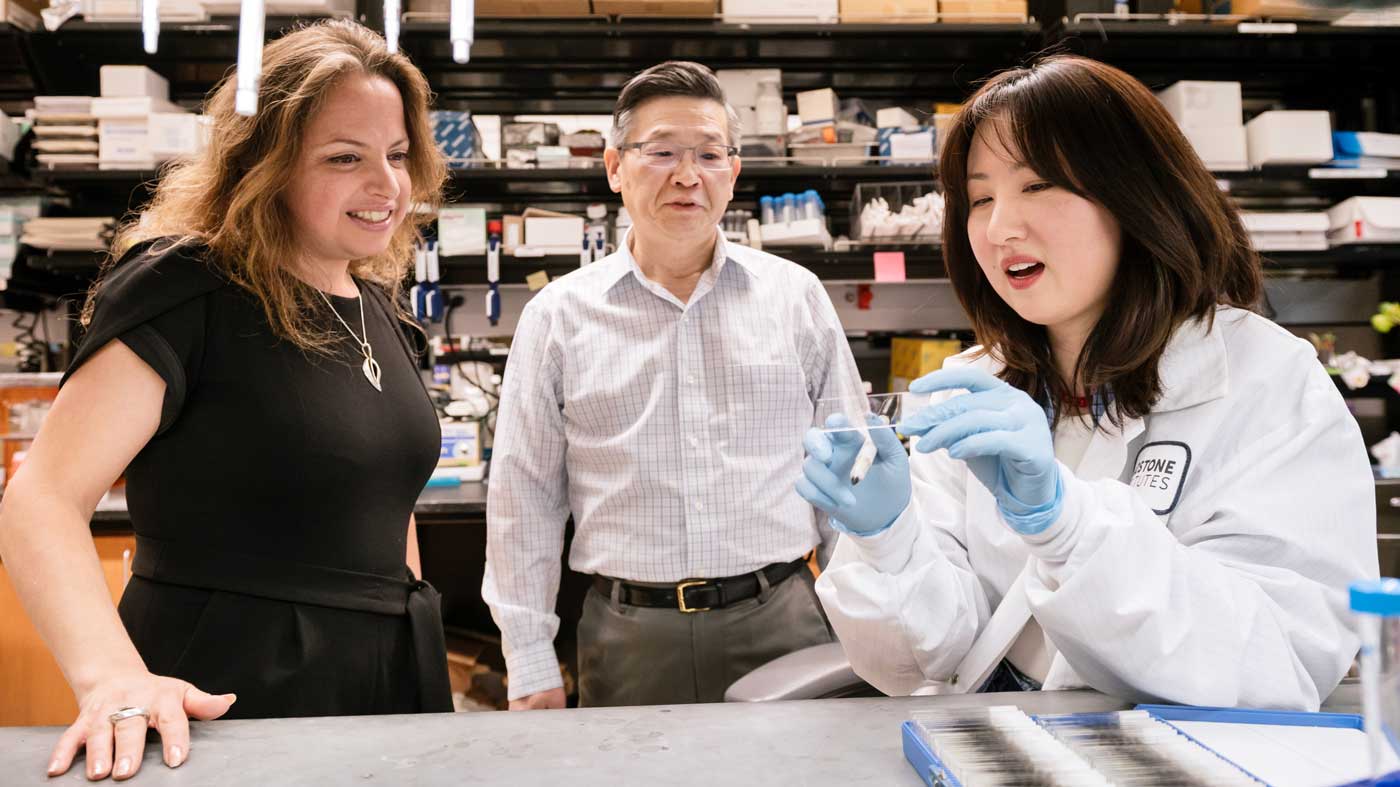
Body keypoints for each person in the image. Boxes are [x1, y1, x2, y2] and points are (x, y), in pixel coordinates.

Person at [797, 55, 1378, 711]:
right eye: (981, 198)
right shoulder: (969, 387)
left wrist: (1068, 526)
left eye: (1038, 184)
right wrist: (889, 539)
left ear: (1139, 194)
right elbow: (916, 663)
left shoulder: (1265, 380)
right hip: (993, 739)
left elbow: (1281, 661)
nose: (999, 227)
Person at [0, 20, 453, 782]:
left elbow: (383, 500)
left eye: (399, 155)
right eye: (346, 157)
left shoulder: (375, 302)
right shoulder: (187, 286)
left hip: (383, 686)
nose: (388, 186)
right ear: (264, 163)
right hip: (232, 688)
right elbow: (39, 498)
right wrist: (112, 677)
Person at [483, 60, 864, 709]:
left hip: (783, 621)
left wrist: (866, 620)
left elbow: (848, 471)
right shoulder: (558, 316)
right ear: (614, 167)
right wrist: (528, 658)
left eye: (709, 154)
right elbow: (524, 497)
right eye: (662, 152)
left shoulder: (794, 297)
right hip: (629, 637)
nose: (688, 175)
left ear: (733, 173)